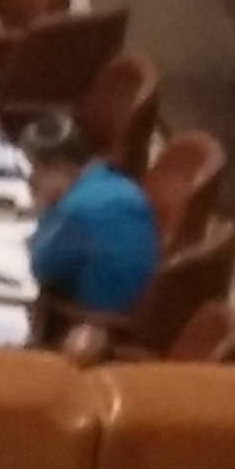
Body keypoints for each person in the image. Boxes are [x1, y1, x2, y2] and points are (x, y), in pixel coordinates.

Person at [21, 112, 159, 331]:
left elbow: (42, 267)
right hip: (140, 302)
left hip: (97, 319)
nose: (34, 179)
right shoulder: (120, 184)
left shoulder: (74, 211)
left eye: (37, 168)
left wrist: (46, 209)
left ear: (60, 165)